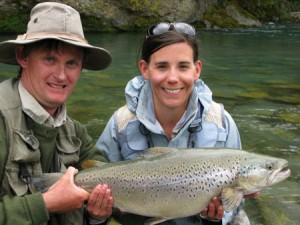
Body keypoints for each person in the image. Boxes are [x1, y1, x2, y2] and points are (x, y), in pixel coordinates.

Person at [96, 22, 256, 225]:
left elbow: (234, 212)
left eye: (183, 66)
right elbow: (95, 204)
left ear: (196, 70)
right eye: (162, 66)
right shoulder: (121, 123)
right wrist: (96, 216)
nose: (173, 78)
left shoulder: (221, 122)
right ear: (145, 69)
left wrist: (214, 219)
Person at [0, 2, 113, 225]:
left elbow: (107, 181)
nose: (61, 76)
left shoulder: (76, 133)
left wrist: (97, 215)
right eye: (50, 60)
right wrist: (46, 204)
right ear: (23, 57)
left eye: (71, 63)